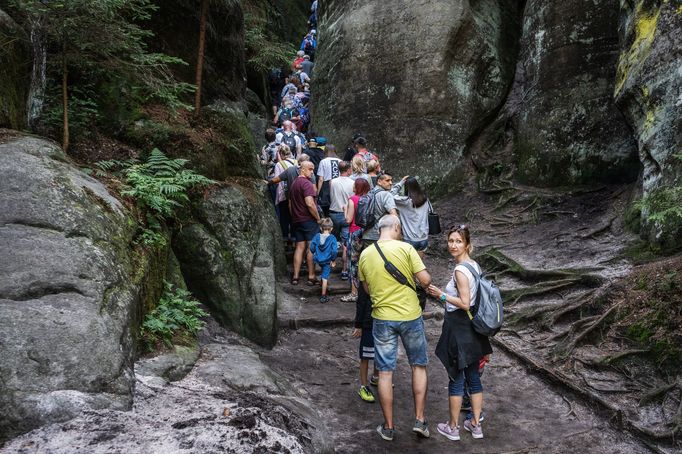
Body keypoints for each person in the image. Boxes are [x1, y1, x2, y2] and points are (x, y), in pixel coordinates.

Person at [358, 214, 432, 442]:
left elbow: (368, 290)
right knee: (418, 366)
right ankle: (419, 420)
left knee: (385, 373)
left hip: (382, 318)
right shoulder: (407, 249)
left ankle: (389, 427)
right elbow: (426, 281)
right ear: (397, 227)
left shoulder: (365, 254)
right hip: (410, 316)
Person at [426, 225, 492, 441]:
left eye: (458, 241)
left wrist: (441, 295)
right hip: (474, 329)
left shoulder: (460, 271)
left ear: (467, 244)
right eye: (450, 241)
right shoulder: (474, 266)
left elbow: (464, 303)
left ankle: (453, 427)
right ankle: (475, 425)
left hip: (459, 328)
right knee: (473, 377)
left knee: (456, 378)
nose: (453, 245)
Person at [288, 161, 321, 286]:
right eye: (310, 169)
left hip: (297, 220)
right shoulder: (306, 184)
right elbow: (310, 203)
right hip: (308, 220)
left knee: (299, 247)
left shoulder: (294, 183)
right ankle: (311, 276)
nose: (312, 172)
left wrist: (295, 216)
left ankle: (295, 276)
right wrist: (318, 218)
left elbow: (290, 204)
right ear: (302, 170)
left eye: (313, 169)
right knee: (311, 248)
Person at [342, 177, 370, 301]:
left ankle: (354, 293)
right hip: (367, 233)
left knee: (353, 262)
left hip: (354, 233)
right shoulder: (370, 199)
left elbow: (348, 220)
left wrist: (344, 210)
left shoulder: (352, 199)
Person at [391, 176, 430, 257]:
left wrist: (401, 182)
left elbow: (390, 196)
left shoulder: (404, 202)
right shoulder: (425, 200)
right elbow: (429, 211)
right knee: (418, 265)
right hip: (424, 238)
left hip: (410, 239)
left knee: (409, 266)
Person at [271, 145, 297, 245]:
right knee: (293, 216)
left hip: (283, 195)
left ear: (280, 153)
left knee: (284, 218)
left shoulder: (279, 164)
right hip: (294, 194)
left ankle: (285, 240)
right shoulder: (295, 162)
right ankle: (294, 238)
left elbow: (277, 180)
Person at [310, 218, 338, 303]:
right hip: (327, 260)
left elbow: (312, 247)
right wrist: (333, 260)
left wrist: (314, 252)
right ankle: (323, 295)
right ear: (331, 228)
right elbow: (334, 251)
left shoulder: (317, 236)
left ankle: (322, 284)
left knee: (323, 272)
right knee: (325, 277)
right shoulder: (332, 238)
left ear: (321, 228)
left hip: (318, 259)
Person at [317, 145, 341, 217]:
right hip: (338, 184)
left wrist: (318, 192)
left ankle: (328, 224)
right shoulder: (340, 161)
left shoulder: (323, 161)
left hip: (326, 186)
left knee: (327, 208)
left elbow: (321, 178)